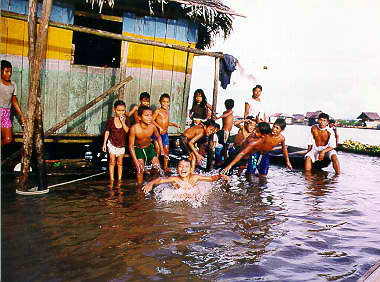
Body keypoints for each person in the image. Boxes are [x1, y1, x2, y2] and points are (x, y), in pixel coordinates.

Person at [142, 158, 230, 193]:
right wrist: (150, 183)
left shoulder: (194, 177)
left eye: (186, 167)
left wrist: (221, 176)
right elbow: (161, 179)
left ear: (191, 169)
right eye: (180, 167)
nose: (183, 169)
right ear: (177, 169)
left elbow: (211, 178)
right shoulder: (175, 179)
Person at [129, 105, 168, 184]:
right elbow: (131, 146)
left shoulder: (152, 127)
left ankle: (152, 183)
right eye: (146, 115)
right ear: (139, 117)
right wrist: (135, 161)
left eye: (150, 115)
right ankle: (140, 190)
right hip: (138, 149)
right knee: (140, 169)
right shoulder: (134, 128)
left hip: (149, 148)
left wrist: (162, 150)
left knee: (157, 166)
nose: (150, 117)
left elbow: (158, 137)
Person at [152, 93, 181, 172]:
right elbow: (151, 120)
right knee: (157, 149)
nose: (165, 103)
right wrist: (159, 127)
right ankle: (155, 167)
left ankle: (165, 167)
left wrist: (174, 125)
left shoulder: (167, 111)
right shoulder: (158, 111)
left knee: (166, 150)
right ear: (160, 102)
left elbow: (166, 122)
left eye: (167, 102)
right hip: (157, 134)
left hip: (165, 134)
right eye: (164, 102)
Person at [102, 100, 129, 183]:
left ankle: (120, 179)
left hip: (121, 144)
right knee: (112, 162)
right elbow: (107, 131)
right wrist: (104, 143)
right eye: (119, 110)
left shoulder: (126, 120)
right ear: (114, 110)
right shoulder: (111, 120)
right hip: (112, 143)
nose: (121, 112)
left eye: (123, 110)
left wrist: (123, 122)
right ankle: (112, 180)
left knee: (120, 162)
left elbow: (127, 131)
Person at [1, 60, 25, 147]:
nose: (9, 74)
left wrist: (21, 115)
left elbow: (14, 100)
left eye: (10, 71)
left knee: (8, 140)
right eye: (6, 71)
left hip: (6, 114)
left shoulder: (13, 85)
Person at [214, 99, 234, 164]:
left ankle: (220, 160)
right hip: (225, 132)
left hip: (225, 131)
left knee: (225, 146)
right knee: (225, 147)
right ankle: (224, 160)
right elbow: (225, 116)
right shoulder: (230, 112)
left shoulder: (225, 112)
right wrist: (219, 117)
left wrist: (219, 117)